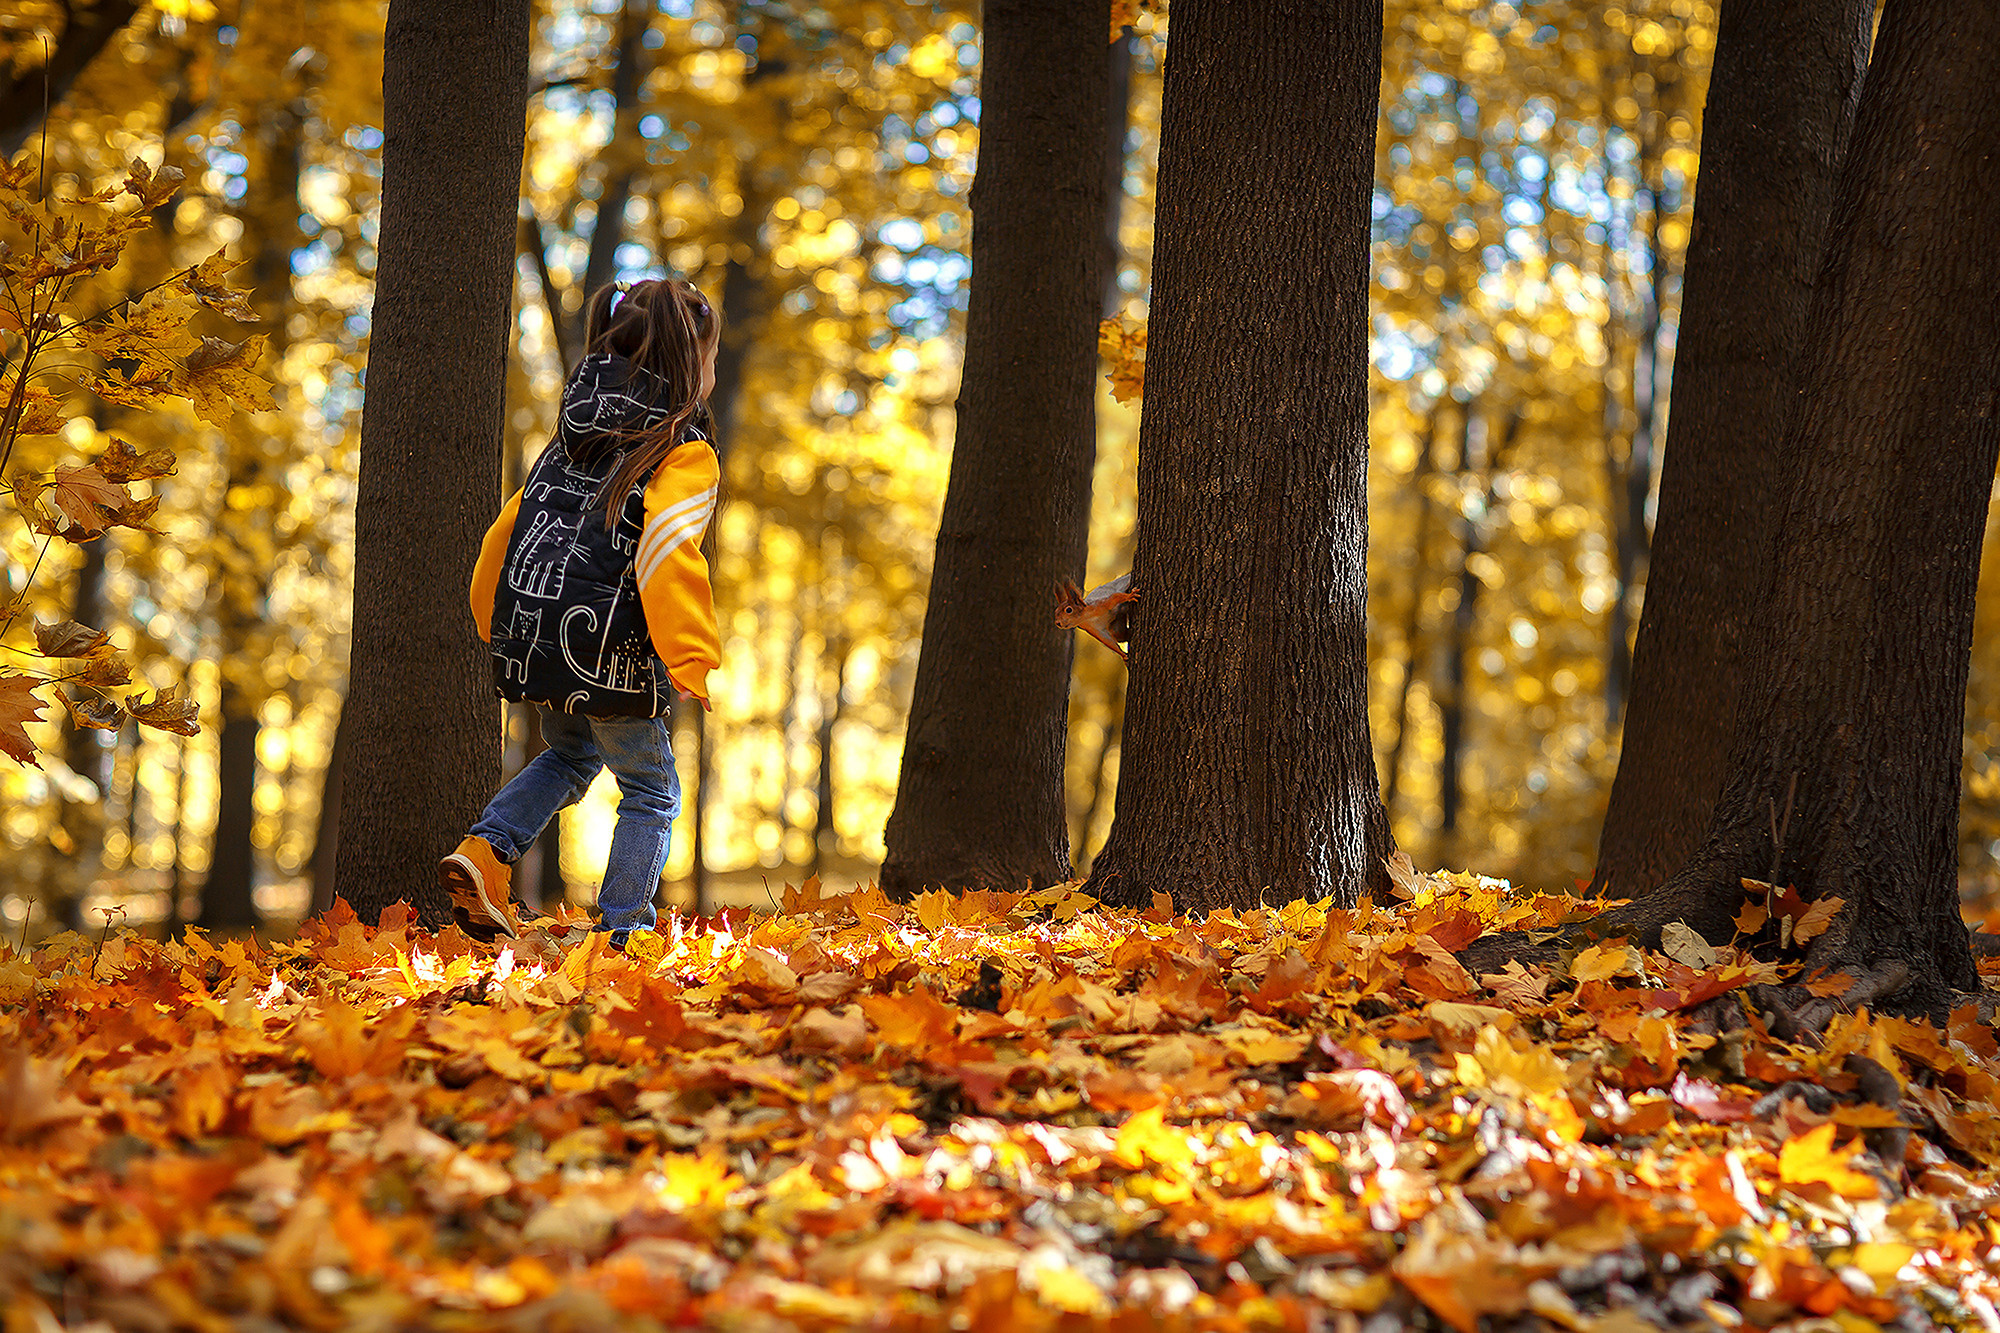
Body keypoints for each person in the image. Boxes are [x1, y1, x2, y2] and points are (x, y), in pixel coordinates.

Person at [441, 278, 722, 948]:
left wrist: (493, 619)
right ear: (691, 367)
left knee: (569, 755)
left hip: (535, 633)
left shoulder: (569, 439)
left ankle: (485, 850)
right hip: (609, 651)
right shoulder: (682, 451)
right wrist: (689, 656)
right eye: (712, 359)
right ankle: (625, 930)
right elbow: (667, 549)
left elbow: (508, 529)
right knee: (651, 790)